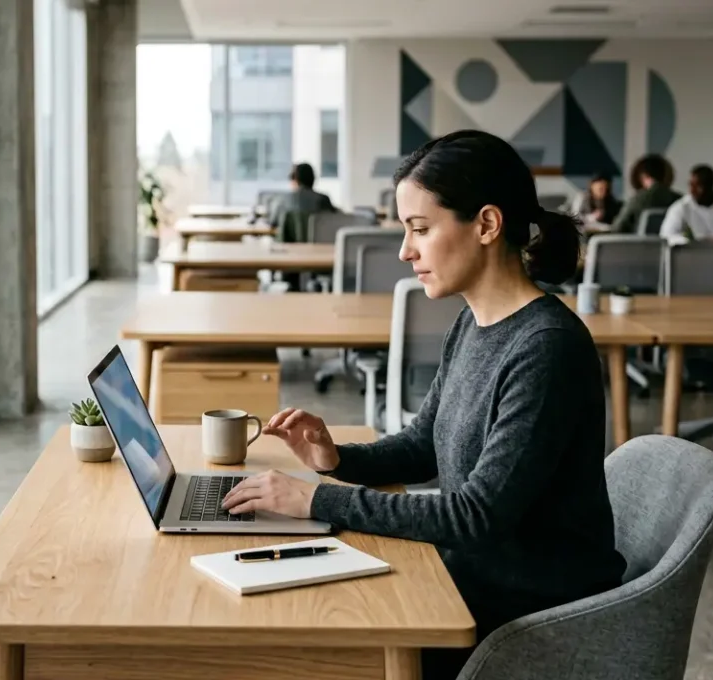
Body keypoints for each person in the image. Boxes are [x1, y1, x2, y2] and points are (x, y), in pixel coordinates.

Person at [221, 130, 626, 680]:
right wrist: (334, 458)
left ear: (486, 224)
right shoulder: (472, 320)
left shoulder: (546, 347)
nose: (405, 250)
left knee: (307, 649)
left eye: (420, 229)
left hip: (525, 617)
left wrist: (317, 500)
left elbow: (476, 516)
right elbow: (422, 445)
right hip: (464, 579)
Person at [658, 164, 713, 242]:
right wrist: (691, 241)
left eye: (699, 186)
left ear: (711, 185)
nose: (692, 191)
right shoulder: (681, 208)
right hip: (692, 256)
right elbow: (667, 236)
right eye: (691, 185)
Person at [611, 153, 681, 234]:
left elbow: (618, 228)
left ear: (642, 176)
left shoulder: (637, 199)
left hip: (639, 246)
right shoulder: (679, 200)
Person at [266, 162, 335, 235]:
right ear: (313, 179)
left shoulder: (282, 200)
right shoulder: (323, 199)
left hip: (287, 245)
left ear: (295, 179)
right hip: (319, 245)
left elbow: (272, 224)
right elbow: (334, 222)